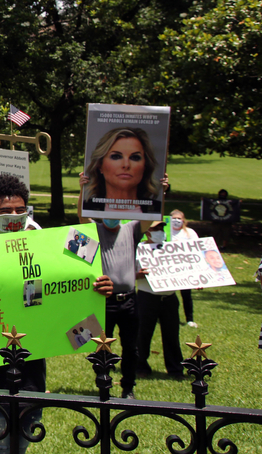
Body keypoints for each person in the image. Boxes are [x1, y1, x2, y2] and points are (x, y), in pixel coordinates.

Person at [0, 174, 113, 452]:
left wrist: (97, 290)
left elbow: (74, 286)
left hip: (31, 374)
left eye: (21, 210)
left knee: (20, 447)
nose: (15, 216)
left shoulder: (44, 247)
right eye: (6, 211)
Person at [79, 170, 167, 399]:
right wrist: (83, 190)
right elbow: (81, 217)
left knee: (131, 347)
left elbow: (151, 215)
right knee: (101, 345)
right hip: (103, 301)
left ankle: (128, 387)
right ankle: (103, 381)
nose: (112, 216)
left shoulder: (131, 229)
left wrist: (160, 190)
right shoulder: (95, 231)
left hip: (129, 300)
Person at [135, 222, 184, 380]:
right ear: (146, 232)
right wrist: (137, 275)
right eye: (155, 229)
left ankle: (175, 369)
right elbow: (125, 272)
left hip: (169, 298)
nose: (160, 232)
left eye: (161, 228)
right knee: (143, 334)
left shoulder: (172, 249)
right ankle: (140, 366)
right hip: (147, 296)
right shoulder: (137, 249)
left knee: (172, 335)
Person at [82, 127, 162, 215]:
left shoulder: (157, 209)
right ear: (100, 165)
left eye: (135, 157)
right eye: (116, 157)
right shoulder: (87, 208)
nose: (126, 165)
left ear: (145, 166)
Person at [170, 210, 199, 327]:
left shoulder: (190, 233)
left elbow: (197, 250)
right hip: (170, 269)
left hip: (185, 269)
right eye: (174, 218)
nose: (177, 221)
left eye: (179, 218)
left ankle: (189, 319)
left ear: (183, 220)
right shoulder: (166, 231)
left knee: (186, 296)